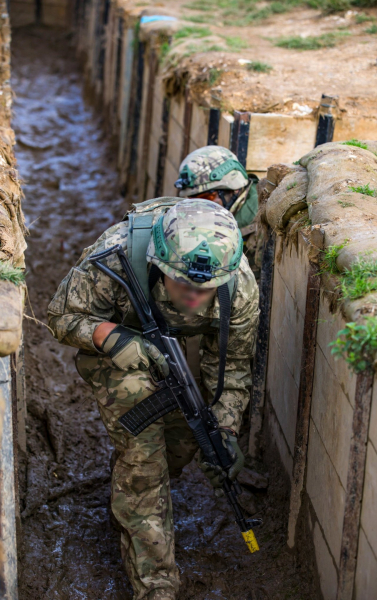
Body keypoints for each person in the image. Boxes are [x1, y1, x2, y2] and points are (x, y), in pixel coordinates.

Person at [48, 197, 259, 600]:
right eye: (183, 285)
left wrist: (226, 429)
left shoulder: (238, 286)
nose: (195, 297)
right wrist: (110, 338)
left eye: (205, 289)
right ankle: (157, 584)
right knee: (145, 461)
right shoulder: (118, 255)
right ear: (161, 267)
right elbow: (60, 316)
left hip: (173, 362)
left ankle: (128, 495)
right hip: (120, 363)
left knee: (181, 447)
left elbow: (232, 366)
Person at [174, 146, 260, 277]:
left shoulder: (261, 219)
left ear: (234, 189)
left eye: (206, 197)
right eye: (193, 199)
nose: (199, 205)